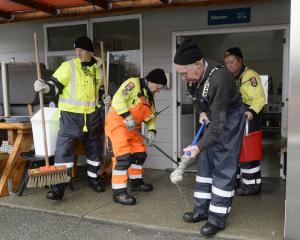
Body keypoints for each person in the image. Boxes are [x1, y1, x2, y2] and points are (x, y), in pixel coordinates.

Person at [174, 38, 245, 236]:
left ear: (198, 64)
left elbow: (218, 127)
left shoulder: (219, 78)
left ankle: (217, 218)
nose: (183, 78)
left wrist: (196, 147)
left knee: (223, 164)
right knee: (205, 163)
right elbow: (199, 100)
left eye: (184, 73)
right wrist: (203, 113)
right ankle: (201, 210)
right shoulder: (192, 77)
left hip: (229, 118)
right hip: (214, 115)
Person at [34, 35, 111, 200]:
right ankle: (58, 188)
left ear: (90, 51)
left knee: (94, 148)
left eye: (81, 50)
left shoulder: (100, 69)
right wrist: (46, 88)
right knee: (63, 151)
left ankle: (93, 178)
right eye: (76, 50)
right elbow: (55, 85)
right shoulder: (68, 66)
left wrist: (105, 97)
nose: (78, 53)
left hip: (92, 116)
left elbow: (100, 90)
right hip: (70, 116)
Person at [105, 68, 167, 205]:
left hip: (134, 129)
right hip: (118, 125)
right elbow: (118, 99)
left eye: (160, 88)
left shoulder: (150, 96)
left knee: (140, 154)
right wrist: (127, 116)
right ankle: (119, 193)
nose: (158, 90)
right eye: (158, 87)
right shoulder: (133, 84)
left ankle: (136, 183)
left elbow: (151, 116)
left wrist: (152, 132)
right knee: (122, 158)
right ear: (151, 81)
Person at [224, 47, 266, 196]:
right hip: (236, 116)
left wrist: (251, 111)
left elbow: (259, 98)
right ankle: (236, 182)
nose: (229, 65)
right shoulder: (232, 77)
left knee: (248, 151)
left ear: (240, 61)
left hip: (249, 115)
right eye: (226, 63)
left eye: (231, 62)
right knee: (236, 150)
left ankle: (252, 186)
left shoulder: (250, 75)